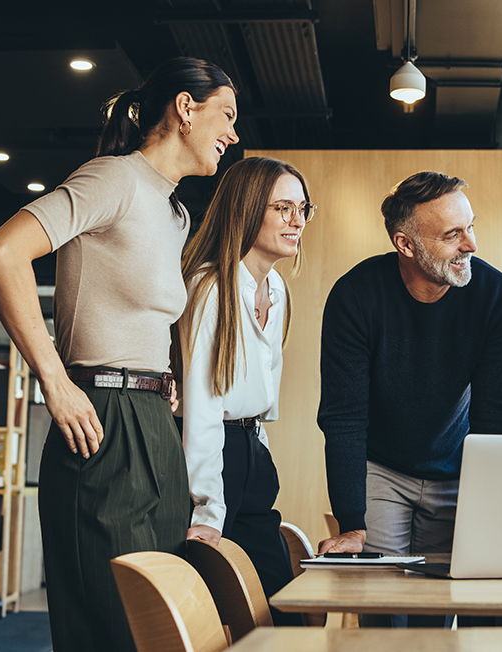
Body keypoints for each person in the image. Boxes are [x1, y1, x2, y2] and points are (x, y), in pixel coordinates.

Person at [0, 57, 239, 652]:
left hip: (152, 425)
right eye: (226, 114)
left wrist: (164, 375)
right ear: (185, 108)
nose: (233, 133)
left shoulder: (175, 212)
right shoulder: (113, 178)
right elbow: (2, 255)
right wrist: (54, 379)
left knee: (162, 628)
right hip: (99, 420)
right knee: (113, 629)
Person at [316, 171, 502, 625]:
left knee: (440, 611)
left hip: (457, 466)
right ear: (405, 244)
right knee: (384, 613)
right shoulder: (355, 296)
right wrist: (352, 522)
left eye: (471, 226)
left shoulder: (497, 297)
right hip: (382, 470)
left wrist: (496, 508)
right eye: (453, 235)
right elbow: (344, 417)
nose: (471, 244)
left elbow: (495, 413)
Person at [174, 156, 312, 627]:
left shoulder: (275, 288)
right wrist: (209, 507)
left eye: (303, 208)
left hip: (252, 452)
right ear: (248, 209)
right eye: (283, 208)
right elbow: (202, 407)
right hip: (214, 458)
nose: (297, 221)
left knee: (279, 609)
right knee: (212, 613)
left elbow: (260, 400)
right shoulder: (211, 286)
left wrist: (260, 456)